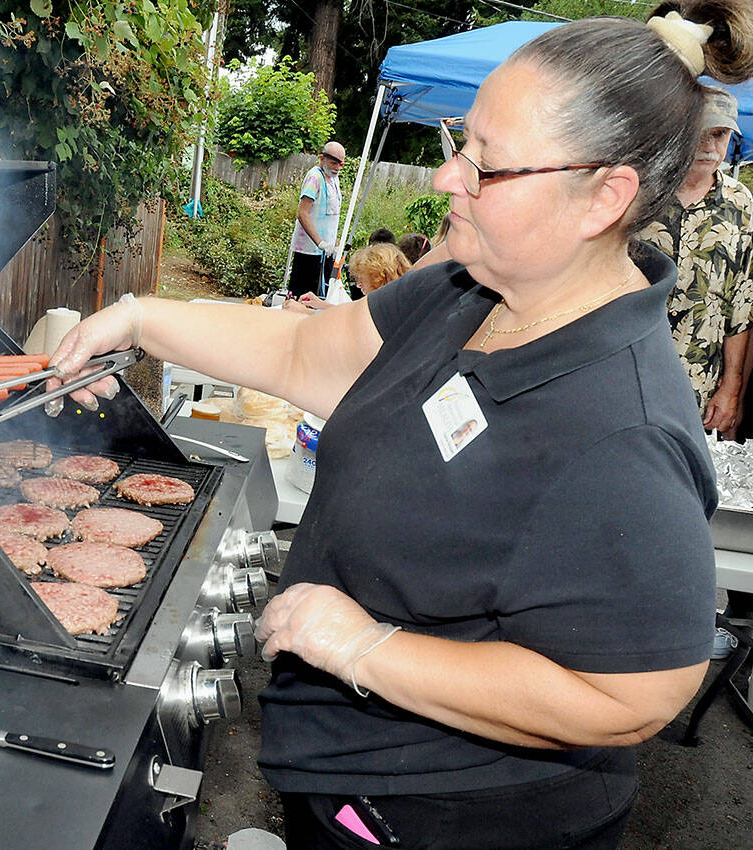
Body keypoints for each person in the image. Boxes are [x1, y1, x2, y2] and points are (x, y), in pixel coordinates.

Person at [48, 3, 753, 847]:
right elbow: (312, 351)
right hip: (338, 776)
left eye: (486, 167)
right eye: (463, 142)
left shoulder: (624, 431)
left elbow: (634, 694)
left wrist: (365, 647)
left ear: (604, 197)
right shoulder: (466, 289)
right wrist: (137, 318)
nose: (446, 178)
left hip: (445, 821)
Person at [639, 86, 753, 440]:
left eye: (718, 135)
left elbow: (741, 304)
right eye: (698, 133)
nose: (708, 147)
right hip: (630, 371)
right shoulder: (639, 193)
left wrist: (731, 387)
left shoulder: (741, 205)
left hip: (698, 387)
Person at [287, 142, 346, 297]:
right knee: (303, 296)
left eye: (340, 164)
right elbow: (302, 213)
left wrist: (334, 240)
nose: (337, 168)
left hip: (326, 251)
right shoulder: (315, 177)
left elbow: (331, 215)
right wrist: (320, 242)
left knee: (322, 295)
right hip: (309, 251)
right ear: (322, 158)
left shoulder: (334, 179)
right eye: (333, 163)